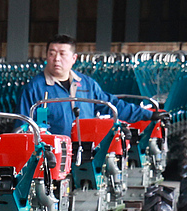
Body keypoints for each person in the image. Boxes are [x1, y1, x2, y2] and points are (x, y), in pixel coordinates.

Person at [17, 34, 153, 136]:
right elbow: (22, 125)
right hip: (52, 155)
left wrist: (147, 114)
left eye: (62, 54)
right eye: (52, 54)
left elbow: (111, 105)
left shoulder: (86, 84)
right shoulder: (35, 88)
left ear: (73, 58)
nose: (56, 59)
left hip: (85, 150)